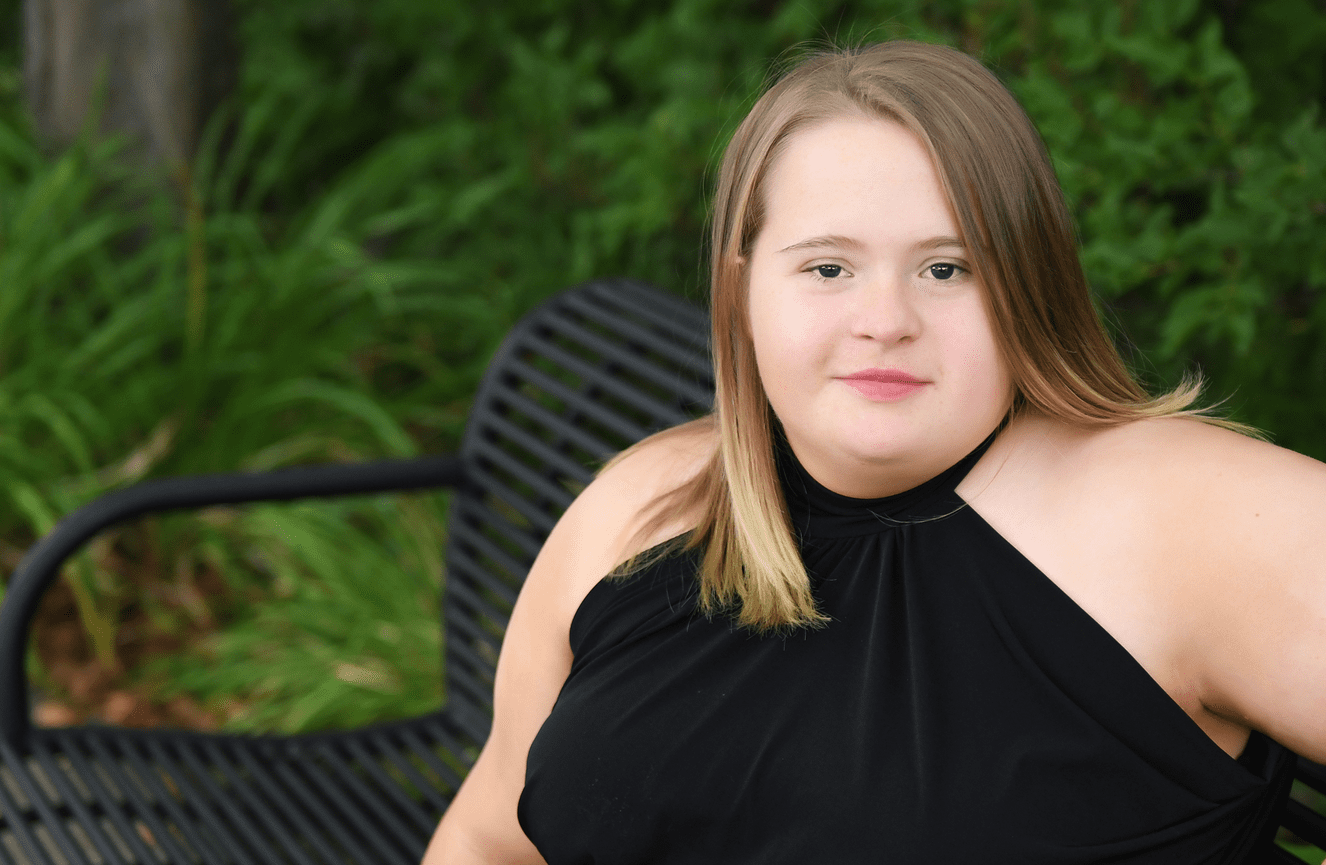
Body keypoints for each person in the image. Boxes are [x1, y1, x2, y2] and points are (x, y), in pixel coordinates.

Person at [424, 39, 1326, 863]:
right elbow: (486, 836)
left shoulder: (1177, 515)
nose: (885, 322)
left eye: (947, 268)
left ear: (1026, 281)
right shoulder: (642, 510)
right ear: (742, 289)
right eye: (828, 267)